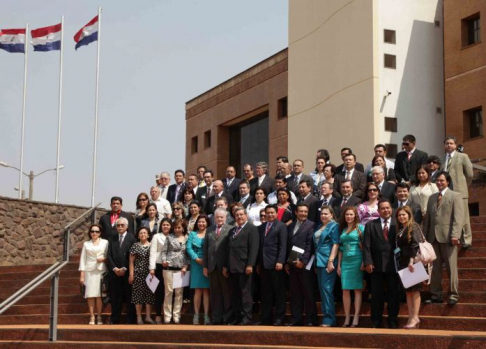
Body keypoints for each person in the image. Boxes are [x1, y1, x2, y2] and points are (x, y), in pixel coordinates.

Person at [424, 171, 464, 305]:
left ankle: (453, 294)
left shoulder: (455, 196)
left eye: (442, 180)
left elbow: (458, 218)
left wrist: (455, 234)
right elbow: (428, 219)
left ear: (447, 182)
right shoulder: (432, 198)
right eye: (438, 181)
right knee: (435, 269)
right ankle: (436, 295)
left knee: (451, 267)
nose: (439, 183)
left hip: (448, 238)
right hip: (432, 238)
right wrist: (424, 238)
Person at [363, 199, 399, 329]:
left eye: (388, 208)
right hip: (375, 265)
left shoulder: (397, 224)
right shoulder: (371, 225)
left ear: (392, 209)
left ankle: (393, 320)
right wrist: (368, 262)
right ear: (378, 211)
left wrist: (399, 257)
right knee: (376, 295)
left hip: (393, 265)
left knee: (393, 294)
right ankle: (376, 320)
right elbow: (366, 245)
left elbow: (401, 244)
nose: (386, 210)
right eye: (383, 208)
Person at [224, 207, 260, 325]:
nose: (239, 217)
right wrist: (226, 266)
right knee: (235, 294)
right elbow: (228, 249)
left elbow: (254, 248)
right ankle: (237, 316)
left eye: (241, 214)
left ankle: (246, 317)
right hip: (232, 267)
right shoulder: (232, 230)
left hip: (245, 266)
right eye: (237, 215)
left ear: (246, 215)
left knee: (246, 293)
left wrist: (250, 264)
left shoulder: (252, 229)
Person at [285, 204, 317, 326]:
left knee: (308, 293)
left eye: (305, 211)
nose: (303, 213)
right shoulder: (291, 226)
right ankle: (296, 319)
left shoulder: (311, 225)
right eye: (301, 211)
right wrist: (287, 262)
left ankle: (311, 319)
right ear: (296, 212)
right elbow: (288, 244)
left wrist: (303, 261)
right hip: (292, 263)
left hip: (304, 264)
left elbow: (310, 245)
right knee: (295, 293)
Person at [257, 205, 287, 326]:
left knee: (279, 293)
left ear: (276, 214)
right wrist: (259, 263)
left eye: (271, 213)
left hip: (276, 264)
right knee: (266, 293)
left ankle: (279, 318)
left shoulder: (281, 226)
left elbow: (283, 245)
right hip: (264, 264)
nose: (269, 215)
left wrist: (280, 261)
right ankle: (265, 318)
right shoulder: (262, 227)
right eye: (267, 213)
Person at [442, 136, 474, 249]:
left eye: (451, 143)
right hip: (447, 193)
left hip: (460, 191)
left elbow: (470, 174)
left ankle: (467, 240)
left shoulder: (463, 156)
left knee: (463, 216)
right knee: (450, 216)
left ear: (455, 145)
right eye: (447, 143)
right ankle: (456, 237)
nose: (449, 145)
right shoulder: (443, 160)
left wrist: (464, 186)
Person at [203, 208, 233, 325]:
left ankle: (227, 318)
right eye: (217, 217)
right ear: (214, 218)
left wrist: (227, 265)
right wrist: (205, 266)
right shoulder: (209, 230)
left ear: (225, 218)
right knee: (215, 294)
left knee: (226, 293)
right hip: (212, 266)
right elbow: (206, 249)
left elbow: (230, 250)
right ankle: (216, 318)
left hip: (224, 267)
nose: (219, 219)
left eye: (222, 217)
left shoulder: (230, 229)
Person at [395, 206, 423, 329]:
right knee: (408, 291)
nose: (402, 217)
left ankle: (415, 316)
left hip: (413, 262)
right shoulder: (401, 229)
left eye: (404, 214)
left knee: (415, 290)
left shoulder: (414, 226)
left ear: (409, 215)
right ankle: (411, 316)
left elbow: (415, 244)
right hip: (403, 262)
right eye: (399, 215)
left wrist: (411, 261)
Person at [337, 206, 364, 328]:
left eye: (351, 215)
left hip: (357, 259)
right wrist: (338, 265)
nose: (349, 216)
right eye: (347, 214)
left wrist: (364, 261)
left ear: (355, 216)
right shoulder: (342, 229)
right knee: (345, 289)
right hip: (345, 261)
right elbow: (340, 248)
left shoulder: (360, 228)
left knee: (357, 288)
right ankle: (347, 316)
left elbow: (365, 246)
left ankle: (356, 316)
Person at [106, 217, 137, 324]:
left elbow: (132, 255)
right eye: (118, 225)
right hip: (114, 273)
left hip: (128, 272)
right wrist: (114, 268)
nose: (119, 227)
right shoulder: (112, 238)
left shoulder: (132, 238)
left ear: (127, 227)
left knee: (129, 296)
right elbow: (109, 255)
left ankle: (130, 319)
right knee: (115, 297)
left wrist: (124, 268)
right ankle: (114, 319)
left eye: (122, 225)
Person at [313, 206, 340, 327]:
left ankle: (330, 319)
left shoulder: (334, 226)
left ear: (332, 215)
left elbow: (335, 244)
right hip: (319, 261)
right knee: (322, 290)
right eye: (322, 213)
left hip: (328, 261)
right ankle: (326, 316)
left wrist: (331, 261)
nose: (323, 216)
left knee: (327, 289)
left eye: (326, 214)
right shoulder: (319, 226)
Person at [79, 224, 109, 325]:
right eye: (92, 231)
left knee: (99, 295)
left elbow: (108, 256)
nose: (94, 233)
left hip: (101, 270)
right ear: (90, 232)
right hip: (89, 271)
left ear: (100, 233)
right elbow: (83, 260)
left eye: (97, 231)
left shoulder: (105, 242)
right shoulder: (86, 244)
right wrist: (82, 275)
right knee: (90, 295)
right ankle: (92, 316)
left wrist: (104, 259)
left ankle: (99, 315)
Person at [161, 218, 189, 324]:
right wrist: (164, 261)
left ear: (183, 228)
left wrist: (186, 266)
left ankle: (176, 315)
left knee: (179, 293)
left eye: (179, 227)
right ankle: (167, 316)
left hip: (181, 269)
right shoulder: (169, 237)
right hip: (169, 268)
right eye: (175, 227)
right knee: (168, 292)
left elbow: (188, 254)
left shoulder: (187, 238)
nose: (177, 229)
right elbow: (164, 251)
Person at [128, 227, 155, 324]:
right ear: (138, 235)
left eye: (145, 233)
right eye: (141, 233)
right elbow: (131, 261)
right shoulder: (135, 246)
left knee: (150, 295)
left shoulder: (152, 245)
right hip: (138, 273)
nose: (143, 234)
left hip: (150, 274)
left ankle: (148, 316)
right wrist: (131, 274)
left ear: (148, 235)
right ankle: (139, 316)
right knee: (138, 295)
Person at [187, 214, 211, 325]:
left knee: (206, 290)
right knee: (197, 290)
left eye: (203, 222)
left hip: (207, 264)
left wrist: (205, 261)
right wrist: (196, 259)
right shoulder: (192, 234)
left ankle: (206, 315)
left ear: (207, 223)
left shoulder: (210, 234)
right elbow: (188, 248)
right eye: (199, 222)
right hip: (196, 264)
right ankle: (196, 315)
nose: (201, 224)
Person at [149, 218, 172, 324]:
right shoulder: (156, 236)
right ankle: (158, 314)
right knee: (158, 291)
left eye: (167, 225)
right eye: (164, 225)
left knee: (170, 291)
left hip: (171, 266)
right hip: (158, 266)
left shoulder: (173, 236)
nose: (165, 226)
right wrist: (152, 268)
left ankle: (168, 315)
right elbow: (153, 252)